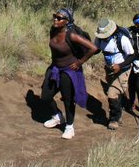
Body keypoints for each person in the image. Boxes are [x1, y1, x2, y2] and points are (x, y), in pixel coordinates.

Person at [41, 8, 98, 140]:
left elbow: (93, 48)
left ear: (67, 21)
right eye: (55, 16)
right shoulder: (53, 30)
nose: (56, 19)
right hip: (55, 68)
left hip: (69, 70)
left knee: (68, 100)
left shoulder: (72, 35)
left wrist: (80, 62)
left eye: (59, 18)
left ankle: (69, 127)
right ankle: (57, 117)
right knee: (46, 95)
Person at [94, 18, 136, 130]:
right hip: (109, 70)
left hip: (123, 70)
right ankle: (119, 113)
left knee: (112, 93)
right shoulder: (99, 39)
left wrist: (120, 66)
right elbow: (96, 49)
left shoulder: (122, 39)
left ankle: (114, 119)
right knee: (115, 92)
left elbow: (132, 55)